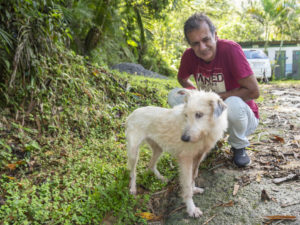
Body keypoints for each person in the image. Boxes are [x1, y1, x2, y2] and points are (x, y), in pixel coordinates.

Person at [177, 12, 260, 167]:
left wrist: (216, 97)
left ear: (215, 35)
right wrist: (196, 94)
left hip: (243, 118)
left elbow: (254, 91)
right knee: (176, 96)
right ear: (190, 45)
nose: (202, 47)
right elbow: (181, 79)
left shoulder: (230, 50)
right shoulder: (189, 56)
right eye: (195, 43)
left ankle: (238, 145)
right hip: (212, 116)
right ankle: (204, 138)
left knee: (232, 103)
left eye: (206, 39)